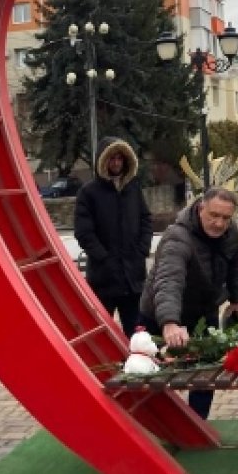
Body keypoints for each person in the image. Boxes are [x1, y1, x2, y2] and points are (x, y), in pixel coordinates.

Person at [139, 188, 238, 419]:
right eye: (214, 215)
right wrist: (169, 321)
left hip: (204, 309)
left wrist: (236, 299)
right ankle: (159, 424)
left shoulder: (231, 233)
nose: (219, 223)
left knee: (205, 372)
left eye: (226, 218)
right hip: (159, 312)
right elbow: (169, 280)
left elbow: (235, 265)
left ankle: (198, 423)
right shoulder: (177, 236)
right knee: (150, 373)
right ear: (200, 208)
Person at [74, 137, 154, 339]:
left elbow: (145, 219)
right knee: (101, 333)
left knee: (137, 334)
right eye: (112, 158)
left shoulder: (133, 188)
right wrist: (103, 257)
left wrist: (142, 249)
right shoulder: (88, 192)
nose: (116, 163)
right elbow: (84, 232)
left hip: (133, 278)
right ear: (103, 160)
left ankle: (137, 368)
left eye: (120, 158)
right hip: (104, 279)